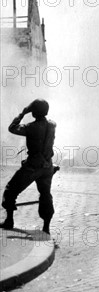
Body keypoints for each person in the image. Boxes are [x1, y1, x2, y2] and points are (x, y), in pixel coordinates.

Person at [1, 99, 56, 234]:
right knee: (45, 195)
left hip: (33, 167)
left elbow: (12, 128)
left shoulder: (31, 127)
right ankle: (46, 228)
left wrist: (23, 113)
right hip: (47, 166)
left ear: (34, 112)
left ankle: (9, 221)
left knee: (10, 190)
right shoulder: (53, 125)